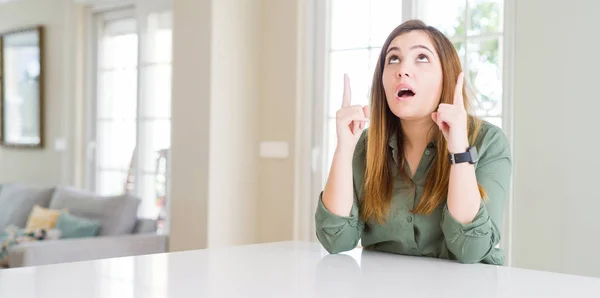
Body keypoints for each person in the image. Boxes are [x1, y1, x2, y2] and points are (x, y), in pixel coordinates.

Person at [314, 19, 511, 265]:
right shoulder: (366, 145)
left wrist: (459, 149)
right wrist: (343, 149)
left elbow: (471, 249)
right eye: (393, 59)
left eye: (422, 58)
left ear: (445, 76)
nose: (402, 69)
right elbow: (336, 240)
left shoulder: (488, 141)